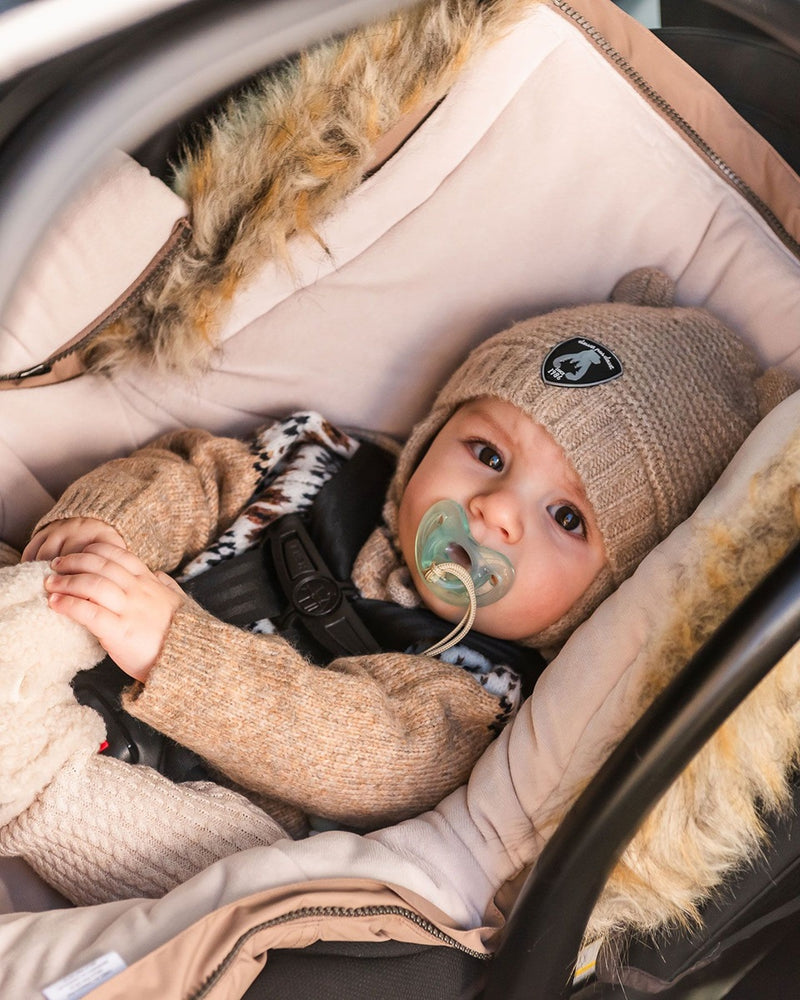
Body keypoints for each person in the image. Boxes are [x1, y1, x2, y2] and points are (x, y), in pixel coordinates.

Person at [0, 268, 793, 906]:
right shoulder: (315, 463)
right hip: (76, 645)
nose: (493, 513)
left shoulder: (478, 692)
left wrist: (177, 648)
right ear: (432, 433)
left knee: (255, 878)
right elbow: (188, 478)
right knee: (49, 593)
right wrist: (108, 530)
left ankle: (28, 779)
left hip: (192, 802)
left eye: (565, 518)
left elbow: (360, 748)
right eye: (486, 454)